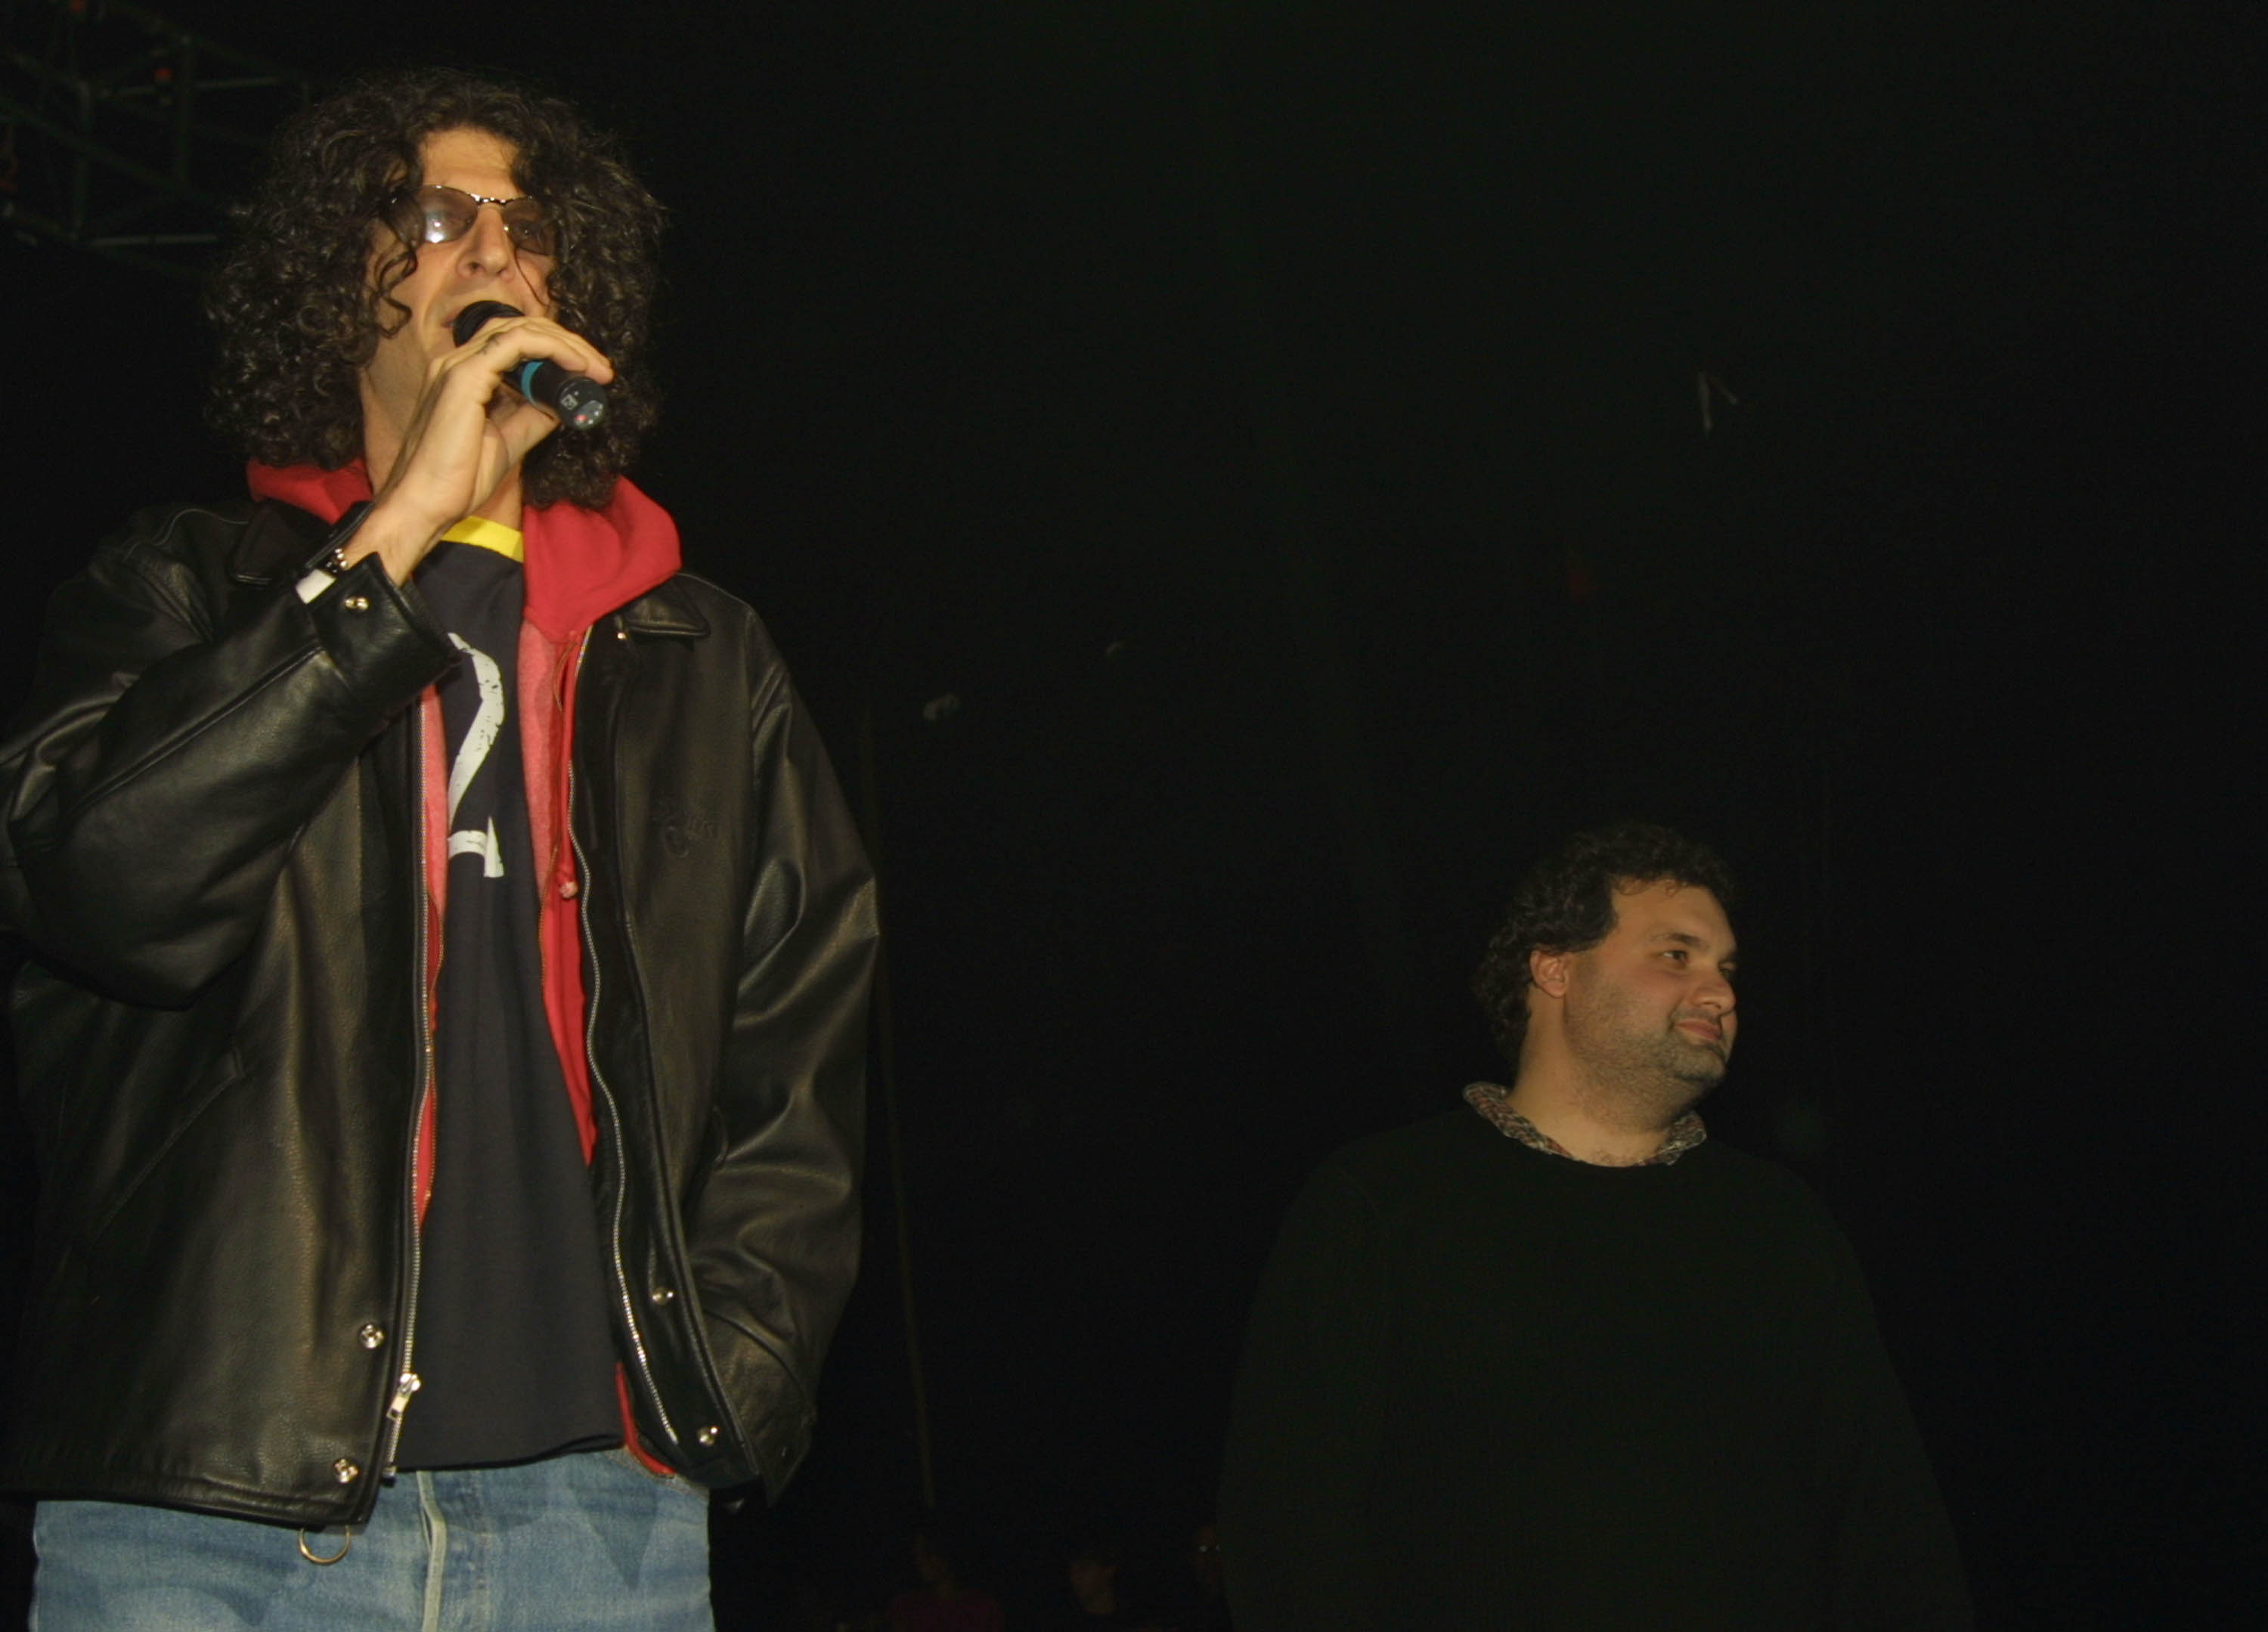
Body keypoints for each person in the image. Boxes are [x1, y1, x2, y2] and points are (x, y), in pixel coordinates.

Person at [0, 68, 878, 1629]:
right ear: (335, 290)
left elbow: (796, 1042)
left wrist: (724, 1378)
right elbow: (101, 887)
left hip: (595, 1518)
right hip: (216, 1507)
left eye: (527, 225)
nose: (489, 249)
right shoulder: (184, 590)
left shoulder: (694, 649)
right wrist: (391, 541)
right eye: (429, 215)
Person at [1217, 822, 1971, 1629]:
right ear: (1554, 965)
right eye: (1676, 954)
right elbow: (1290, 1531)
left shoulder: (1780, 1224)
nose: (1720, 991)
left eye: (1726, 967)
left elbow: (1890, 1528)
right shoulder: (1380, 1202)